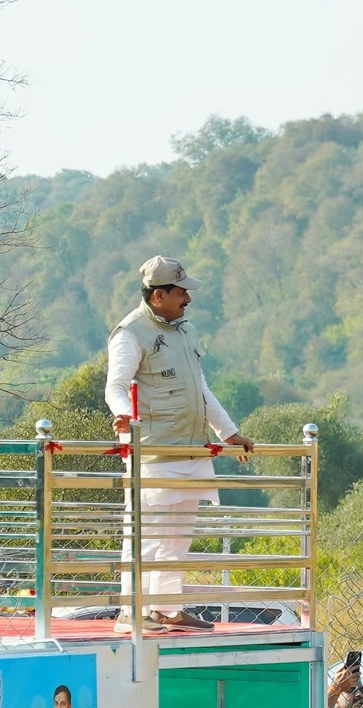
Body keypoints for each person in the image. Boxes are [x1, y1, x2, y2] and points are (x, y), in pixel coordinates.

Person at [104, 255, 257, 630]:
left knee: (177, 535)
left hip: (191, 448)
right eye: (181, 293)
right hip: (155, 450)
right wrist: (126, 416)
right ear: (159, 295)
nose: (187, 300)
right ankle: (132, 611)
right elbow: (116, 387)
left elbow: (200, 388)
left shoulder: (184, 331)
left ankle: (165, 609)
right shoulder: (130, 333)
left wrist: (228, 432)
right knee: (145, 533)